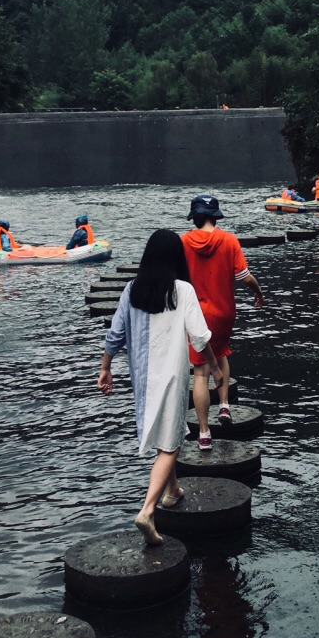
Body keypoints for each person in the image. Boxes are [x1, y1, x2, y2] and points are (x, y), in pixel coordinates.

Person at [98, 229, 221, 545]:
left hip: (142, 376)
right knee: (171, 442)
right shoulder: (182, 290)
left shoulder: (132, 289)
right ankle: (147, 510)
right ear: (176, 258)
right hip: (172, 375)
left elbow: (115, 333)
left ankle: (171, 491)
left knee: (161, 430)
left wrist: (105, 367)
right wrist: (215, 367)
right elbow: (201, 337)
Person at [181, 194, 264, 431]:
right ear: (215, 217)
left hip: (195, 313)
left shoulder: (183, 242)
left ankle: (204, 432)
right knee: (221, 353)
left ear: (195, 217)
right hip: (224, 312)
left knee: (200, 372)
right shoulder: (229, 241)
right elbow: (244, 277)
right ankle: (224, 404)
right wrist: (258, 293)